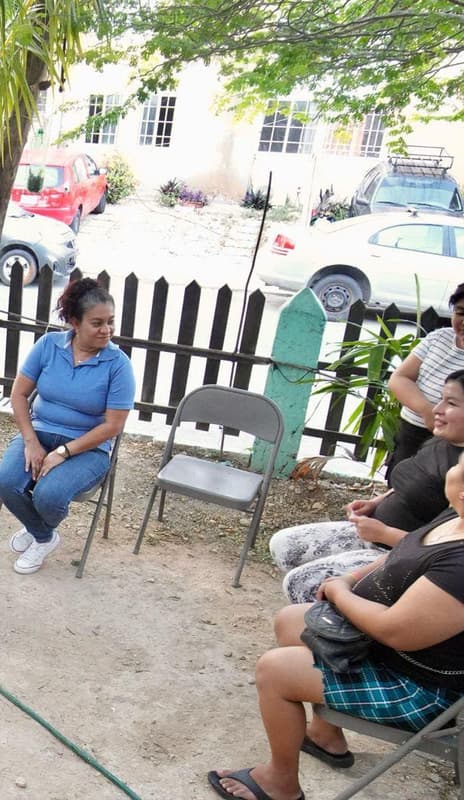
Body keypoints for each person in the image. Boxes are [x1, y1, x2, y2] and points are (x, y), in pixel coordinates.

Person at [208, 450, 464, 800]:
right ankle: (325, 735)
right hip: (385, 651)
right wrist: (352, 576)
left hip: (419, 689)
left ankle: (279, 784)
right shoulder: (455, 516)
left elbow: (394, 630)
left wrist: (340, 591)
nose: (455, 470)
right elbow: (404, 549)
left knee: (274, 671)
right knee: (290, 621)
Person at [269, 369, 464, 604]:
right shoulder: (442, 440)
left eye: (451, 403)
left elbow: (447, 546)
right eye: (440, 399)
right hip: (375, 532)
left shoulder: (460, 472)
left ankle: (334, 631)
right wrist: (375, 503)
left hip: (402, 555)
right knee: (284, 546)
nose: (436, 409)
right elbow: (413, 482)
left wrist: (384, 534)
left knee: (301, 583)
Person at [0, 277, 134, 575]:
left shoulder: (118, 364)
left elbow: (113, 426)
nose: (106, 330)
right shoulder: (48, 346)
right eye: (97, 323)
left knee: (49, 496)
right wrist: (31, 441)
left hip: (88, 448)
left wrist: (63, 452)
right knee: (7, 482)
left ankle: (37, 531)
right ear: (74, 322)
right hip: (40, 432)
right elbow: (18, 394)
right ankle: (43, 535)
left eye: (111, 322)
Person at [385, 283, 464, 469]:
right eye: (460, 312)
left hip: (455, 445)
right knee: (401, 482)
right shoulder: (439, 339)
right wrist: (427, 411)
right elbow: (399, 379)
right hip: (414, 430)